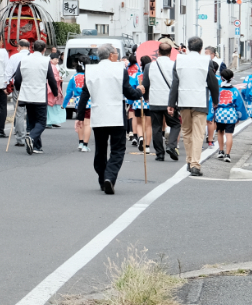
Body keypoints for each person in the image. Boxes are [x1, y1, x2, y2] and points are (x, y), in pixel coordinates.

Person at [76, 42, 143, 194]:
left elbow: (85, 94)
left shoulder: (91, 71)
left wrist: (79, 116)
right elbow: (129, 93)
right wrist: (139, 91)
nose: (118, 56)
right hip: (116, 114)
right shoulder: (120, 69)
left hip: (98, 114)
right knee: (118, 149)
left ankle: (102, 178)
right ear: (112, 55)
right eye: (116, 53)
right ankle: (110, 177)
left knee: (100, 149)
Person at [169, 38, 219, 176]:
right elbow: (212, 82)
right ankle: (195, 164)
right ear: (201, 48)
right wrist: (215, 100)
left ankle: (190, 161)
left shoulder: (179, 60)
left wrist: (171, 104)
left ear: (189, 47)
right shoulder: (205, 61)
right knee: (198, 133)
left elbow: (175, 83)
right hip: (200, 101)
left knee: (186, 132)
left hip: (184, 101)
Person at [12, 39, 60, 154]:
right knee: (42, 122)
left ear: (32, 48)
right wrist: (55, 92)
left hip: (26, 94)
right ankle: (32, 138)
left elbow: (17, 78)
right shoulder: (45, 61)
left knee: (32, 120)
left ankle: (36, 146)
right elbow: (51, 79)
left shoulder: (24, 60)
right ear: (44, 50)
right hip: (39, 95)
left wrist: (19, 89)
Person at [142, 41, 180, 162]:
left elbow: (145, 84)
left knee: (156, 127)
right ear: (170, 53)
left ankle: (159, 154)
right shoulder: (175, 65)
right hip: (170, 101)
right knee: (175, 124)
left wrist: (146, 98)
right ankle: (171, 146)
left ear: (158, 52)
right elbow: (177, 84)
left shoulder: (149, 66)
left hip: (154, 100)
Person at [210, 66, 247, 162]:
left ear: (221, 78)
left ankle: (221, 151)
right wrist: (239, 117)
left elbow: (212, 103)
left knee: (220, 132)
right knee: (229, 134)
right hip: (231, 113)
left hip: (220, 113)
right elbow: (239, 104)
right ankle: (228, 154)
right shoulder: (235, 90)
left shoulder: (218, 90)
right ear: (231, 78)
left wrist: (211, 115)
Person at [63, 56, 91, 152]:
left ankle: (80, 142)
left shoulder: (73, 77)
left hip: (78, 102)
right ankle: (85, 145)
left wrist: (64, 104)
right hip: (89, 101)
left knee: (80, 122)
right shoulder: (90, 77)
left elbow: (69, 92)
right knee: (87, 124)